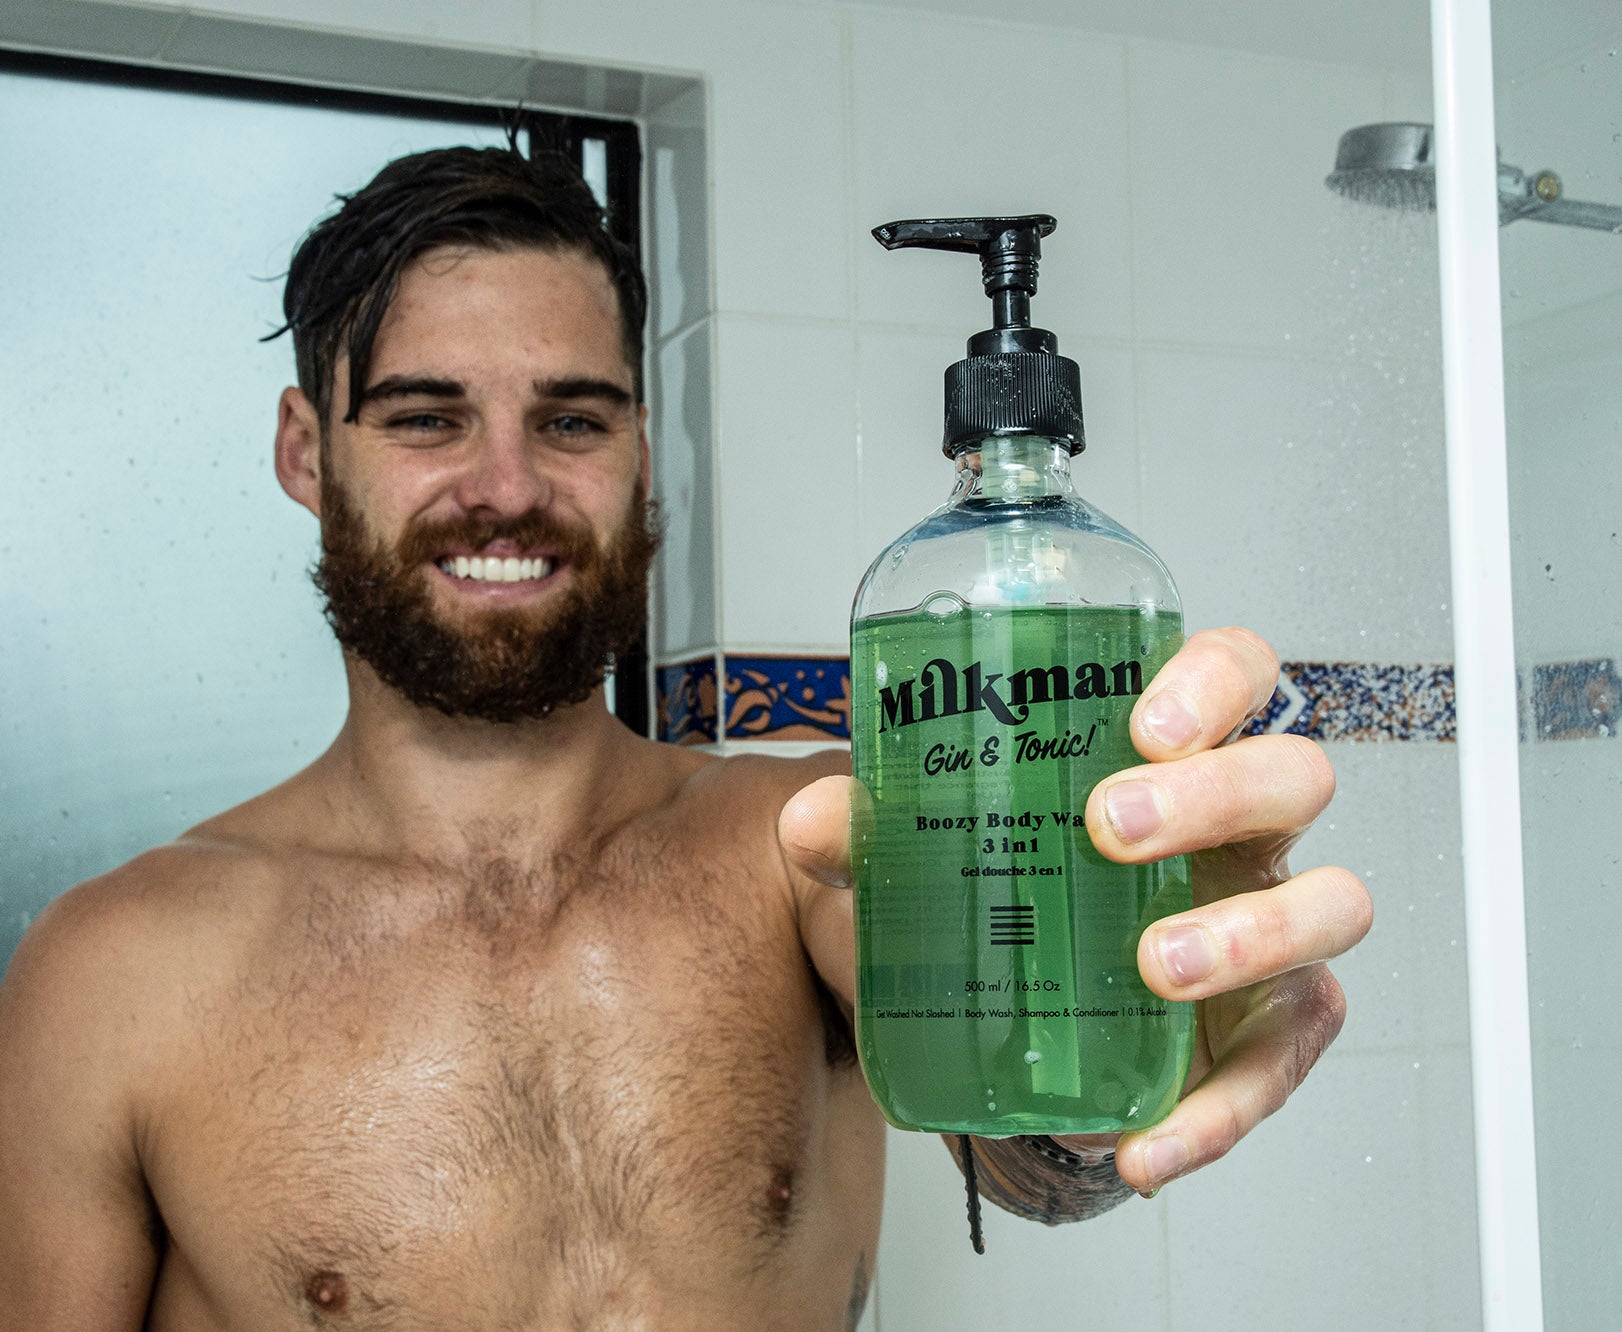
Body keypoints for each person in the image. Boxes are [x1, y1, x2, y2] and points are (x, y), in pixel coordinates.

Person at [0, 146, 1371, 1330]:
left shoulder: (808, 847)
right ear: (306, 451)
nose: (505, 487)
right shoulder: (116, 971)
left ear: (643, 452)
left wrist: (1165, 999)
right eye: (426, 417)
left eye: (571, 419)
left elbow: (1044, 1165)